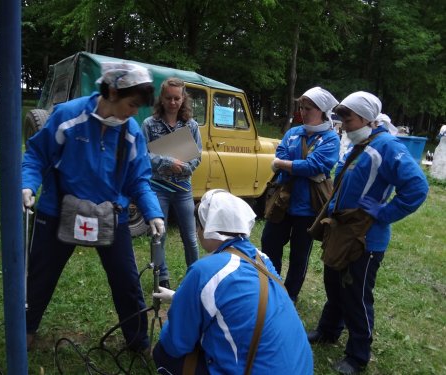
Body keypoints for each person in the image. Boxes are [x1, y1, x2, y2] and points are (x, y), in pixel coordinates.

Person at [22, 62, 165, 353]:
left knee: (126, 282)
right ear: (112, 91)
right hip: (58, 209)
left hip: (111, 214)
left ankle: (139, 342)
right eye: (132, 104)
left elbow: (139, 179)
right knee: (40, 276)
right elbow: (36, 154)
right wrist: (27, 184)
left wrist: (153, 212)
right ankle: (24, 331)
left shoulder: (131, 131)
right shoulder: (67, 116)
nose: (134, 112)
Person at [307, 91, 429, 374]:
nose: (343, 123)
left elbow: (417, 188)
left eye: (347, 117)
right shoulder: (359, 145)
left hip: (365, 240)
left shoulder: (387, 146)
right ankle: (328, 330)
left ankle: (358, 355)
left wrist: (384, 213)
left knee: (357, 295)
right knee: (334, 285)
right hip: (342, 232)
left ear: (365, 117)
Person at [151, 189, 313, 374]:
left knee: (163, 353)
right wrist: (179, 297)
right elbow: (239, 301)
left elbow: (177, 343)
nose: (197, 231)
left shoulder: (204, 271)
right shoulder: (261, 259)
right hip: (300, 367)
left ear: (208, 229)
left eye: (199, 226)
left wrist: (183, 307)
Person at [261, 86, 340, 303]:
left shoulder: (331, 139)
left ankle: (290, 295)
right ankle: (272, 287)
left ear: (323, 111)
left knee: (299, 255)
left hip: (308, 208)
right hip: (282, 203)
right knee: (269, 245)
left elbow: (315, 166)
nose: (303, 112)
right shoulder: (293, 133)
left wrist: (283, 164)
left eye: (308, 108)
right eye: (301, 107)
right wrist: (293, 164)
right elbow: (282, 154)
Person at [141, 77, 202, 289]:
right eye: (169, 98)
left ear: (183, 98)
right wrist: (168, 161)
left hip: (183, 188)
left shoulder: (191, 125)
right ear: (162, 98)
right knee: (160, 234)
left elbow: (197, 157)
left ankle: (194, 277)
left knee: (191, 237)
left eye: (177, 98)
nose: (173, 102)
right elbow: (142, 156)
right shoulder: (149, 124)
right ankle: (162, 278)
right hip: (158, 188)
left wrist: (184, 166)